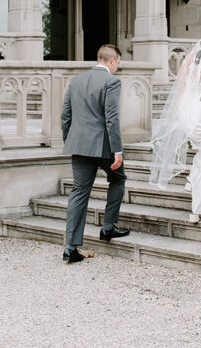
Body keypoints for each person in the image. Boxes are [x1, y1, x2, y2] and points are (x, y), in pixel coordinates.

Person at [60, 43, 130, 263]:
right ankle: (108, 227)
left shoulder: (76, 81)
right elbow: (112, 118)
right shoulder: (111, 81)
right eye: (118, 62)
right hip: (103, 146)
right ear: (112, 61)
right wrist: (117, 150)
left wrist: (71, 141)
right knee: (118, 179)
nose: (117, 67)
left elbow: (65, 116)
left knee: (79, 191)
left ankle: (70, 247)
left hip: (79, 144)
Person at [149, 26, 201, 221]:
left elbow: (180, 88)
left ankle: (192, 180)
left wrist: (176, 113)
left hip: (187, 112)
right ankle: (199, 208)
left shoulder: (190, 59)